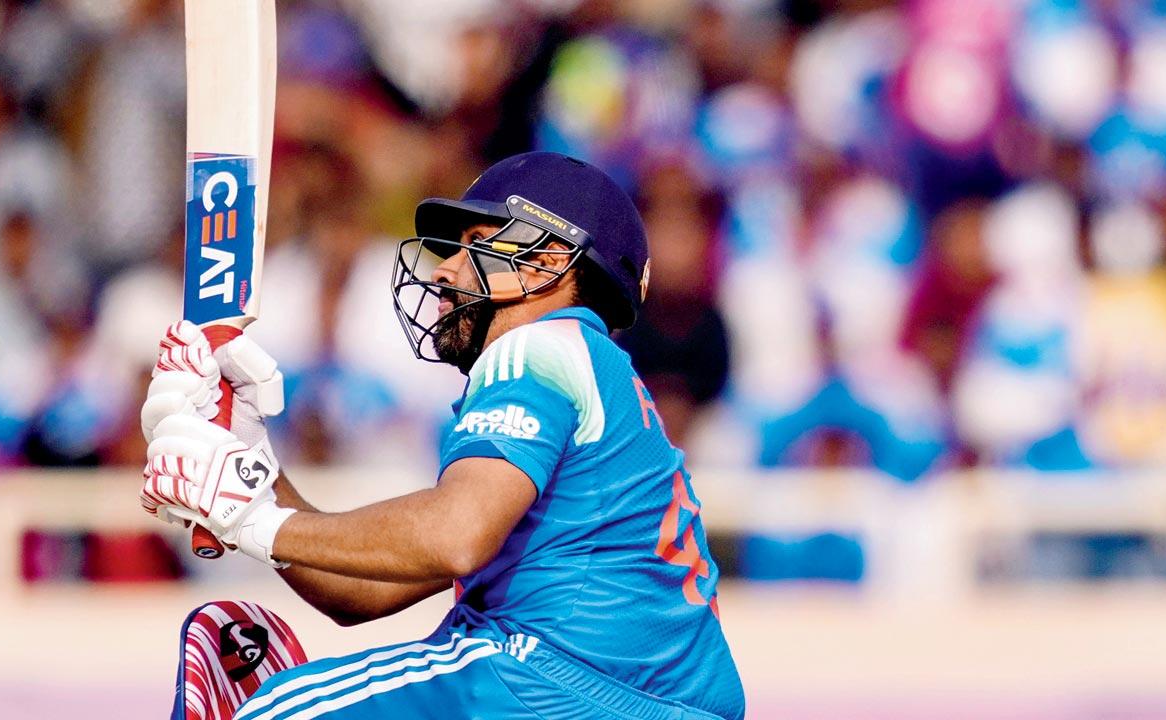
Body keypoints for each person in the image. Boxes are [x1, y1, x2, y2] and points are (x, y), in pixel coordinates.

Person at [138, 152, 745, 719]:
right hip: (628, 697)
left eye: (475, 245)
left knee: (269, 709)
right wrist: (255, 466)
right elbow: (359, 592)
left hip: (555, 679)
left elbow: (456, 535)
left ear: (547, 263)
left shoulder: (538, 347)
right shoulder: (598, 382)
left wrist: (248, 517)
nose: (445, 269)